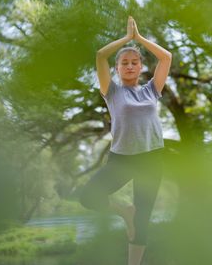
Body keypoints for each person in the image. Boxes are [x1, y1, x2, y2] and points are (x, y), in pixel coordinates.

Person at [77, 16, 172, 265]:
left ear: (141, 67)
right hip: (122, 160)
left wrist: (139, 39)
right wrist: (127, 39)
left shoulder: (152, 90)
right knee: (88, 196)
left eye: (134, 62)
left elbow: (166, 58)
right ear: (117, 68)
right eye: (124, 63)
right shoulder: (112, 91)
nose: (130, 66)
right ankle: (124, 212)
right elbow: (100, 56)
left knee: (142, 222)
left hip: (152, 159)